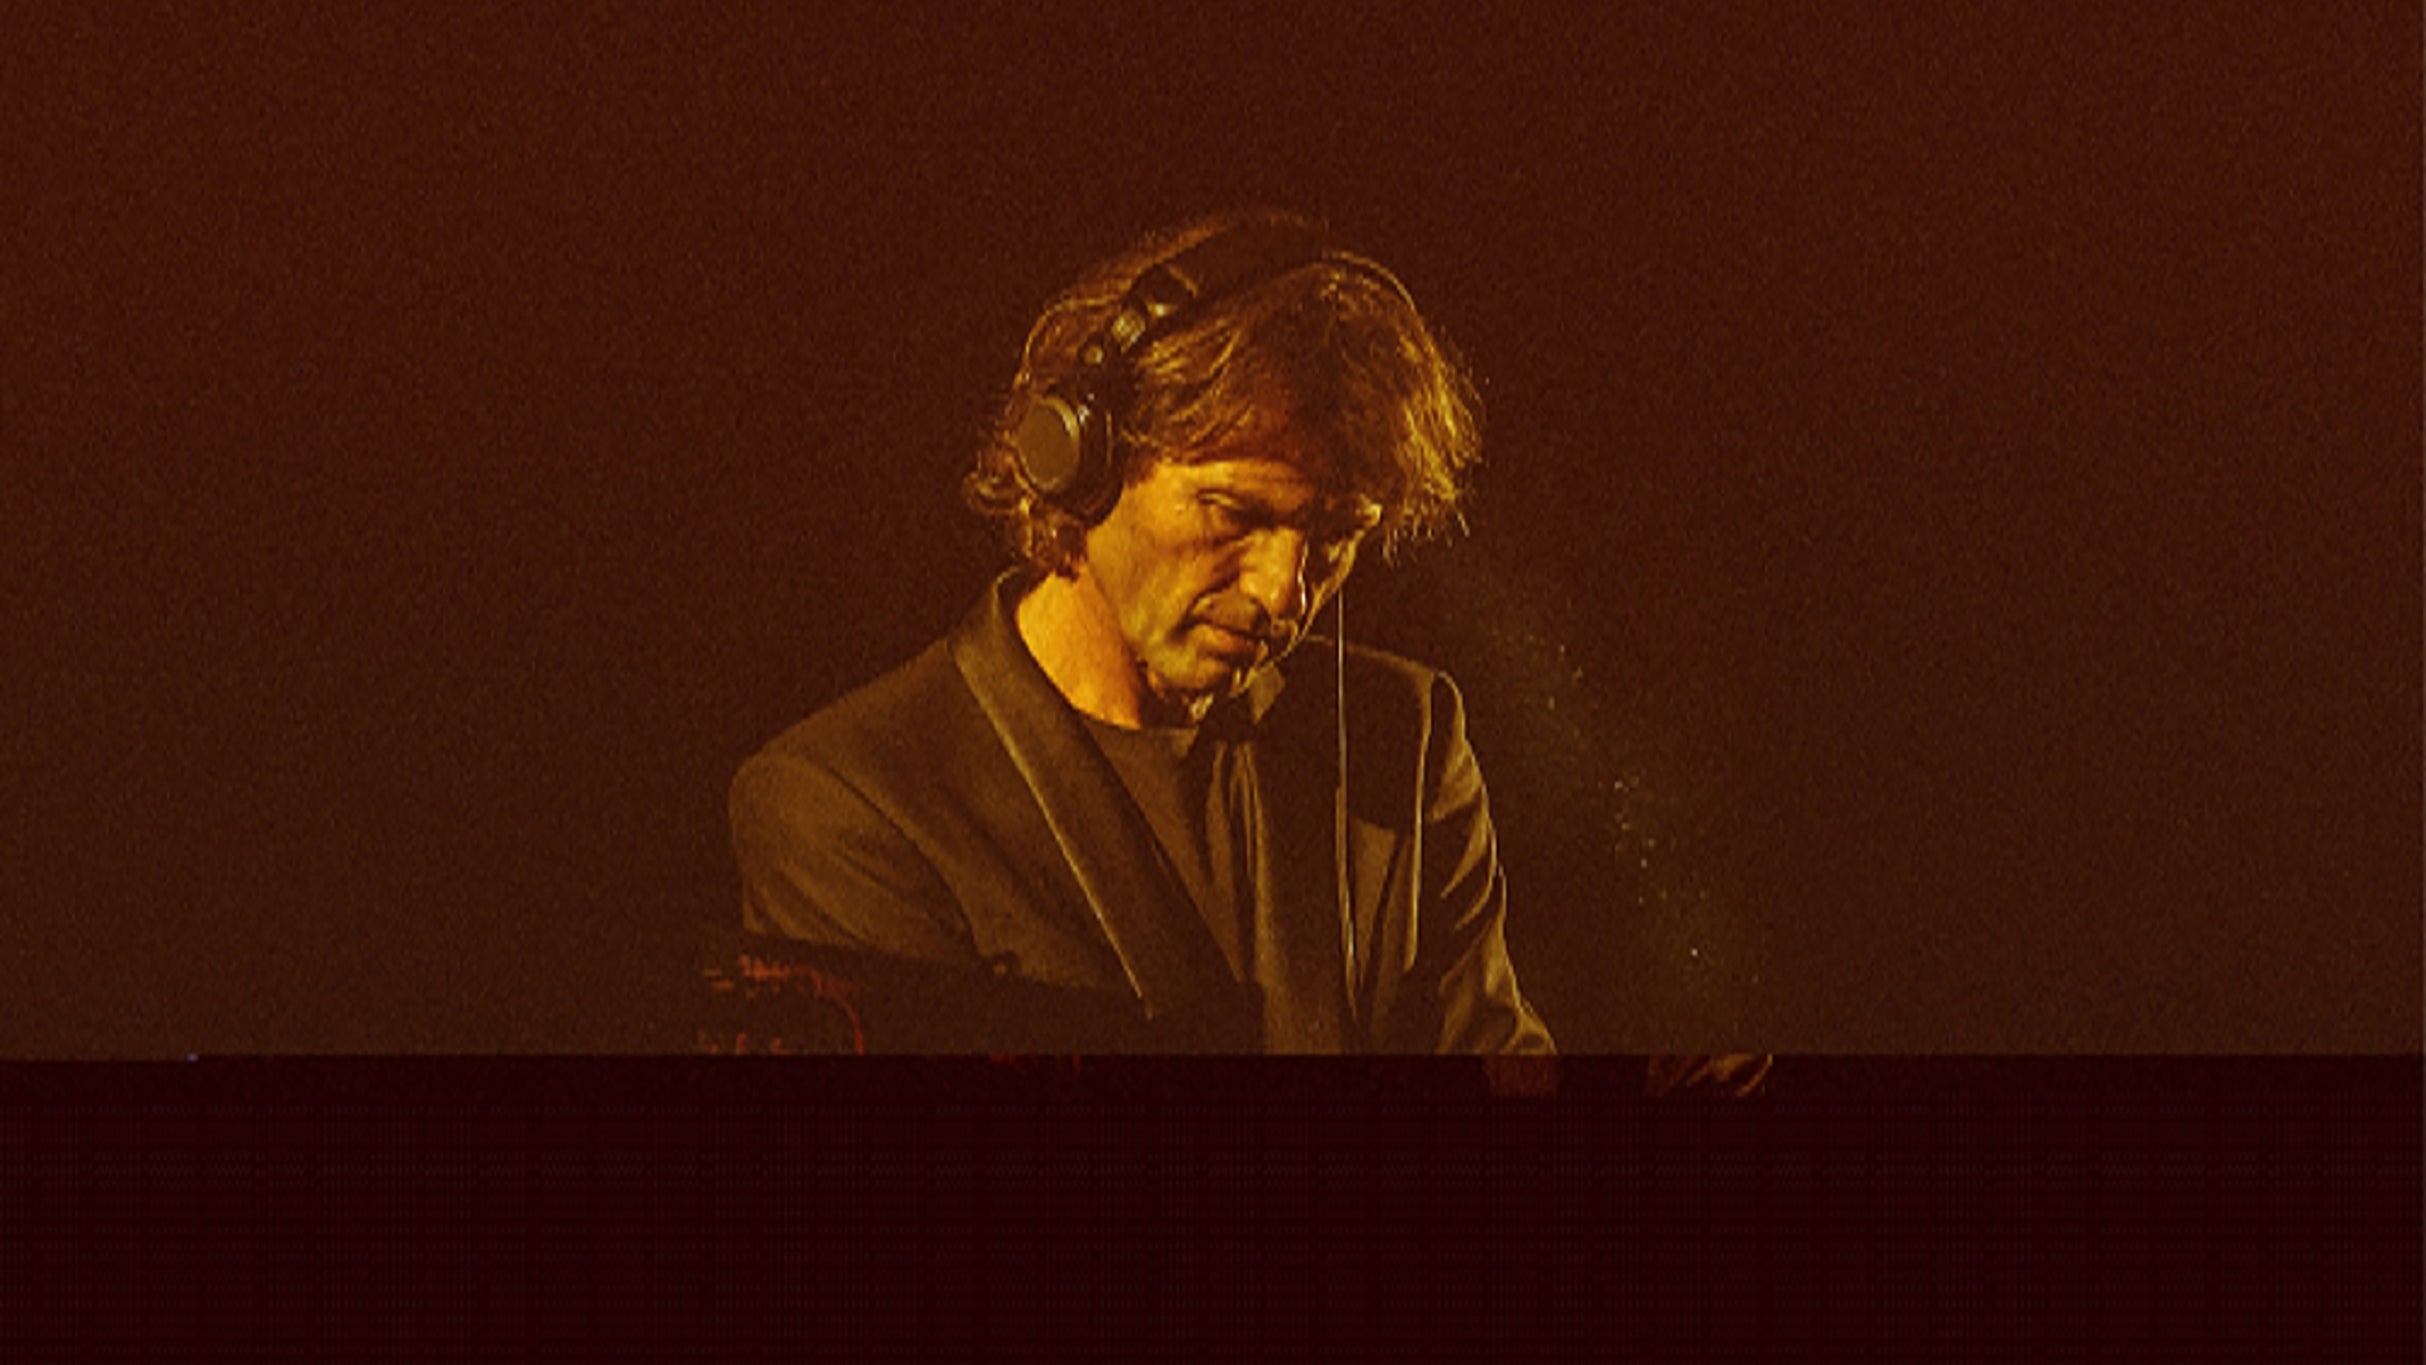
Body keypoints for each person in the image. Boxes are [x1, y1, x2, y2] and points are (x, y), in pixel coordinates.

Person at [727, 209, 1553, 1054]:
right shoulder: (842, 809)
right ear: (1080, 462)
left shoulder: (1406, 738)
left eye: (1336, 536)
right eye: (1234, 514)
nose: (1285, 591)